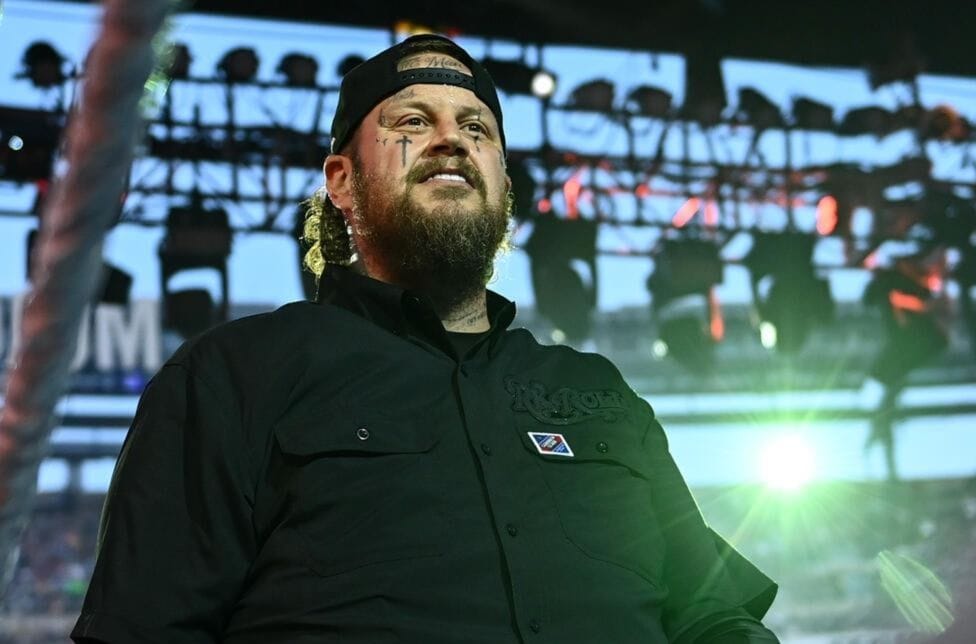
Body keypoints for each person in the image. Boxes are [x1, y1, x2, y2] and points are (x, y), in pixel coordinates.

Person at [71, 34, 780, 643]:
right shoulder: (232, 375)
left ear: (503, 184)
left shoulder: (596, 391)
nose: (452, 139)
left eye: (477, 128)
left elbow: (710, 613)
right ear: (341, 182)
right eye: (412, 119)